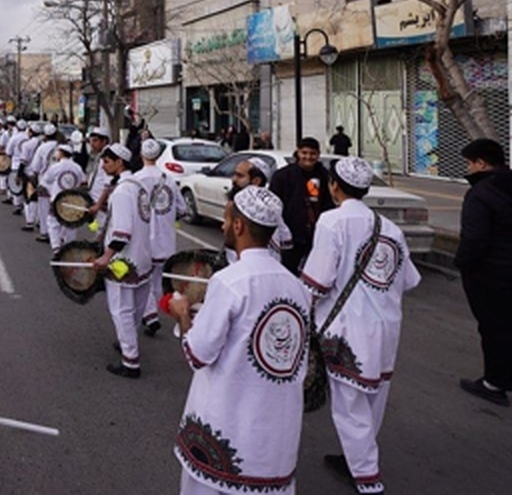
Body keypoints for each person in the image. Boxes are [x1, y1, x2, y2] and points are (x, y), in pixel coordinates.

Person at [172, 186, 310, 495]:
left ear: (238, 226)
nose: (222, 225)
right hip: (275, 443)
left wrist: (182, 313)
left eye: (225, 218)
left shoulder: (230, 281)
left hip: (225, 430)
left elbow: (198, 354)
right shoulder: (297, 287)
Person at [300, 157, 421, 495]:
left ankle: (367, 478)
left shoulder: (332, 222)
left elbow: (317, 283)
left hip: (348, 330)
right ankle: (357, 457)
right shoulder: (390, 228)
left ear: (333, 186)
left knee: (350, 406)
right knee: (372, 400)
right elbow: (409, 280)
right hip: (386, 327)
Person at [456, 138, 512, 407]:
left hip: (490, 273)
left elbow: (474, 239)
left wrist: (463, 264)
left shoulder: (480, 193)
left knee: (493, 327)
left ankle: (495, 382)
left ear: (481, 163)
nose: (468, 168)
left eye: (469, 163)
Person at [94, 143, 152, 378]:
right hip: (143, 257)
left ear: (120, 163)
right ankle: (128, 342)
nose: (103, 165)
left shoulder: (122, 191)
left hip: (123, 261)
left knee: (121, 310)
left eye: (107, 161)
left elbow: (122, 232)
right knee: (136, 309)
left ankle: (130, 361)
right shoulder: (138, 185)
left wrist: (105, 257)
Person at [135, 138, 187, 336]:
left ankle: (149, 315)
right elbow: (181, 209)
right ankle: (152, 312)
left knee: (141, 280)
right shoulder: (170, 180)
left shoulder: (135, 179)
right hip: (165, 241)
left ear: (141, 155)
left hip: (143, 241)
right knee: (157, 282)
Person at [268, 137, 333, 274]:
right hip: (291, 237)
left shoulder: (325, 176)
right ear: (298, 152)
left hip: (317, 236)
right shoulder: (282, 176)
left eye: (312, 153)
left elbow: (330, 204)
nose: (308, 157)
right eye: (304, 153)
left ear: (318, 155)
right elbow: (274, 206)